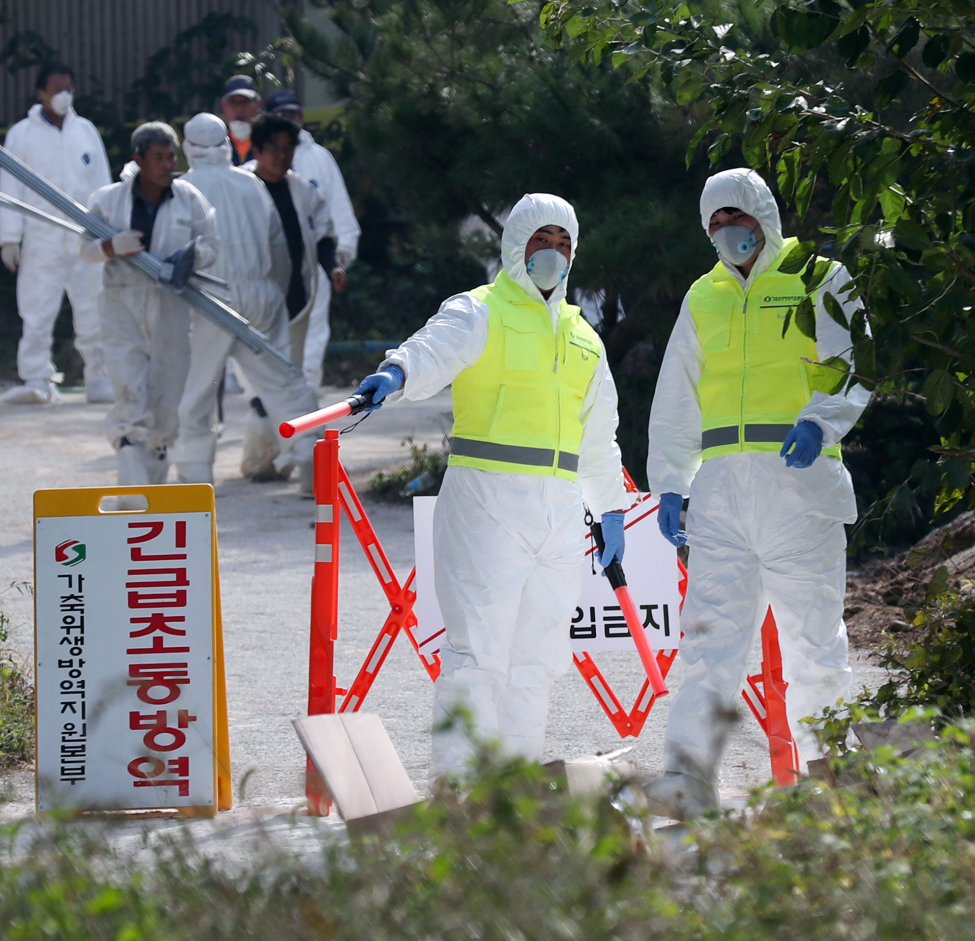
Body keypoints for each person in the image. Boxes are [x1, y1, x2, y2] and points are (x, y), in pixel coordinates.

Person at [355, 194, 629, 778]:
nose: (552, 254)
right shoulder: (481, 310)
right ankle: (460, 793)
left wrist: (610, 510)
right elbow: (433, 348)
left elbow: (600, 435)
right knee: (477, 657)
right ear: (515, 247)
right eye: (540, 241)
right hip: (487, 499)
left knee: (538, 658)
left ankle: (516, 793)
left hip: (557, 509)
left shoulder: (583, 337)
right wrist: (397, 373)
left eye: (563, 244)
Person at [644, 168, 870, 817]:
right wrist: (670, 483)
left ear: (763, 215)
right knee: (708, 640)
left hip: (799, 482)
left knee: (813, 642)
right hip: (720, 491)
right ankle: (688, 779)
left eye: (735, 217)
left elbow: (854, 360)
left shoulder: (817, 275)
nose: (725, 231)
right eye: (713, 222)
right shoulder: (703, 296)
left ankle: (829, 775)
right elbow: (676, 399)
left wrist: (819, 422)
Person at [169, 113, 320, 485]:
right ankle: (314, 464)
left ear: (187, 147)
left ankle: (195, 475)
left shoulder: (181, 190)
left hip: (209, 297)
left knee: (198, 388)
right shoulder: (252, 184)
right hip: (262, 293)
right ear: (226, 145)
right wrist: (274, 296)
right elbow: (279, 249)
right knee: (284, 383)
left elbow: (174, 257)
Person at [77, 122, 219, 486]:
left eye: (172, 155)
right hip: (121, 306)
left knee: (166, 402)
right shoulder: (108, 200)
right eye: (159, 157)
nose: (168, 163)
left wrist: (191, 257)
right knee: (128, 392)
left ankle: (153, 482)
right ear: (139, 158)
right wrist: (112, 247)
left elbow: (212, 246)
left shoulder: (188, 197)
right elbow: (85, 250)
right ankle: (131, 487)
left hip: (171, 308)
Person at [0, 62, 112, 405]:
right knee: (37, 308)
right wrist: (9, 238)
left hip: (85, 236)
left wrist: (107, 231)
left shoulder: (86, 131)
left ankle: (99, 376)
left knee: (94, 307)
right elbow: (9, 187)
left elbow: (103, 184)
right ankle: (36, 378)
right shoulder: (21, 134)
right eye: (57, 89)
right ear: (40, 93)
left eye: (68, 89)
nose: (64, 95)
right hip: (41, 236)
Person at [240, 113, 340, 491]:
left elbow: (324, 235)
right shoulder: (241, 188)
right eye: (274, 150)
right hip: (244, 306)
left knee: (288, 380)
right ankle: (264, 458)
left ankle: (278, 462)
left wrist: (333, 269)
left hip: (294, 303)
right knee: (259, 384)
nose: (282, 157)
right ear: (258, 150)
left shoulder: (302, 190)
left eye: (288, 150)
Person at [266, 90, 360, 388]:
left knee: (314, 332)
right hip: (267, 266)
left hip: (312, 264)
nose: (289, 120)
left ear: (302, 117)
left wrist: (339, 259)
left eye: (294, 114)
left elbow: (339, 209)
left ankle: (307, 401)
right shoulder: (257, 159)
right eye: (282, 115)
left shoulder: (319, 157)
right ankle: (270, 406)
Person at [220, 75, 262, 167]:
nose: (240, 109)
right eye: (233, 102)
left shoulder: (268, 142)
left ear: (258, 104)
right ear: (223, 105)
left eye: (245, 102)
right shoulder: (216, 143)